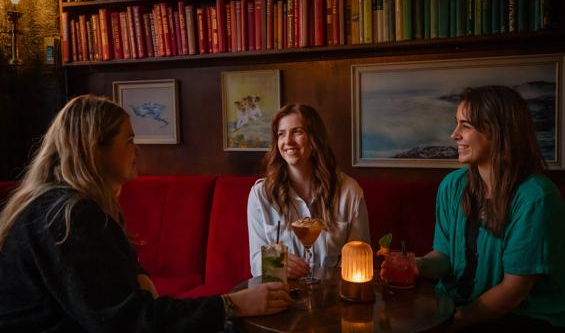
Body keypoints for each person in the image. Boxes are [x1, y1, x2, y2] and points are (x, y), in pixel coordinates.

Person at [0, 95, 290, 332]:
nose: (137, 150)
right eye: (128, 140)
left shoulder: (68, 205)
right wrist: (234, 304)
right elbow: (126, 321)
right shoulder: (66, 216)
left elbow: (124, 295)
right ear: (94, 150)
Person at [409, 86, 565, 332]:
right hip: (459, 307)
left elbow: (513, 291)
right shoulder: (452, 186)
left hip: (527, 318)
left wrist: (453, 322)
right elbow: (443, 256)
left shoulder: (536, 198)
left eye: (465, 126)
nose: (454, 134)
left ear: (498, 132)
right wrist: (417, 265)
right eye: (456, 124)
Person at [248, 103, 370, 278]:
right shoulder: (261, 195)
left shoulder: (349, 191)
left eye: (297, 132)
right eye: (281, 134)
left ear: (315, 139)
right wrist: (277, 263)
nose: (288, 141)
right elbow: (255, 262)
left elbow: (360, 255)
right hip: (283, 295)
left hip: (331, 295)